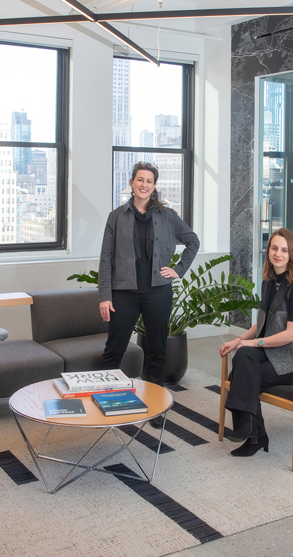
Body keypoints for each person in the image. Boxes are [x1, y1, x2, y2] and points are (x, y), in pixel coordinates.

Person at [98, 161, 199, 428]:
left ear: (154, 186)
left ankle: (155, 406)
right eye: (140, 180)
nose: (144, 185)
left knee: (157, 350)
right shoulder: (116, 216)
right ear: (131, 183)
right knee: (113, 349)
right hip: (124, 293)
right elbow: (105, 259)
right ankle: (108, 402)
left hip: (157, 292)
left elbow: (192, 241)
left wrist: (178, 270)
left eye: (149, 181)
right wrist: (104, 296)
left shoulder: (168, 216)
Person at [219, 228, 293, 457]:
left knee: (246, 372)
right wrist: (239, 340)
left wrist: (253, 344)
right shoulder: (269, 283)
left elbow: (291, 335)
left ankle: (254, 436)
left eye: (284, 249)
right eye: (274, 248)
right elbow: (260, 325)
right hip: (272, 352)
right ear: (268, 251)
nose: (278, 254)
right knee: (242, 356)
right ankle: (254, 435)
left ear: (292, 254)